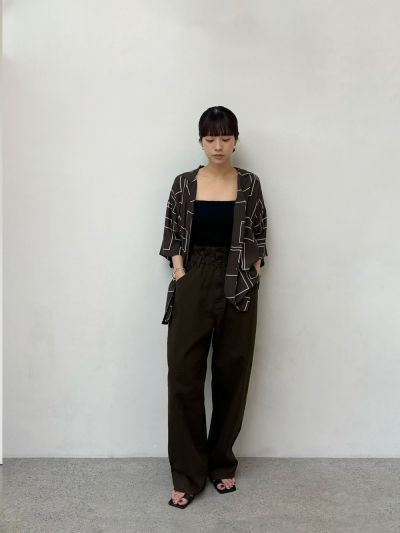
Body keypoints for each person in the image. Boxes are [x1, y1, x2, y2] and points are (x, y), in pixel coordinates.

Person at [159, 106, 268, 509]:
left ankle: (221, 464)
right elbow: (172, 230)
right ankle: (188, 473)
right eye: (210, 138)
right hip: (194, 277)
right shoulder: (184, 184)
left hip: (238, 281)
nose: (218, 146)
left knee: (231, 374)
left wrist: (253, 270)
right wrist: (180, 272)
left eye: (225, 138)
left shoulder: (249, 184)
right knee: (183, 376)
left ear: (236, 140)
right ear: (201, 142)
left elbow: (259, 231)